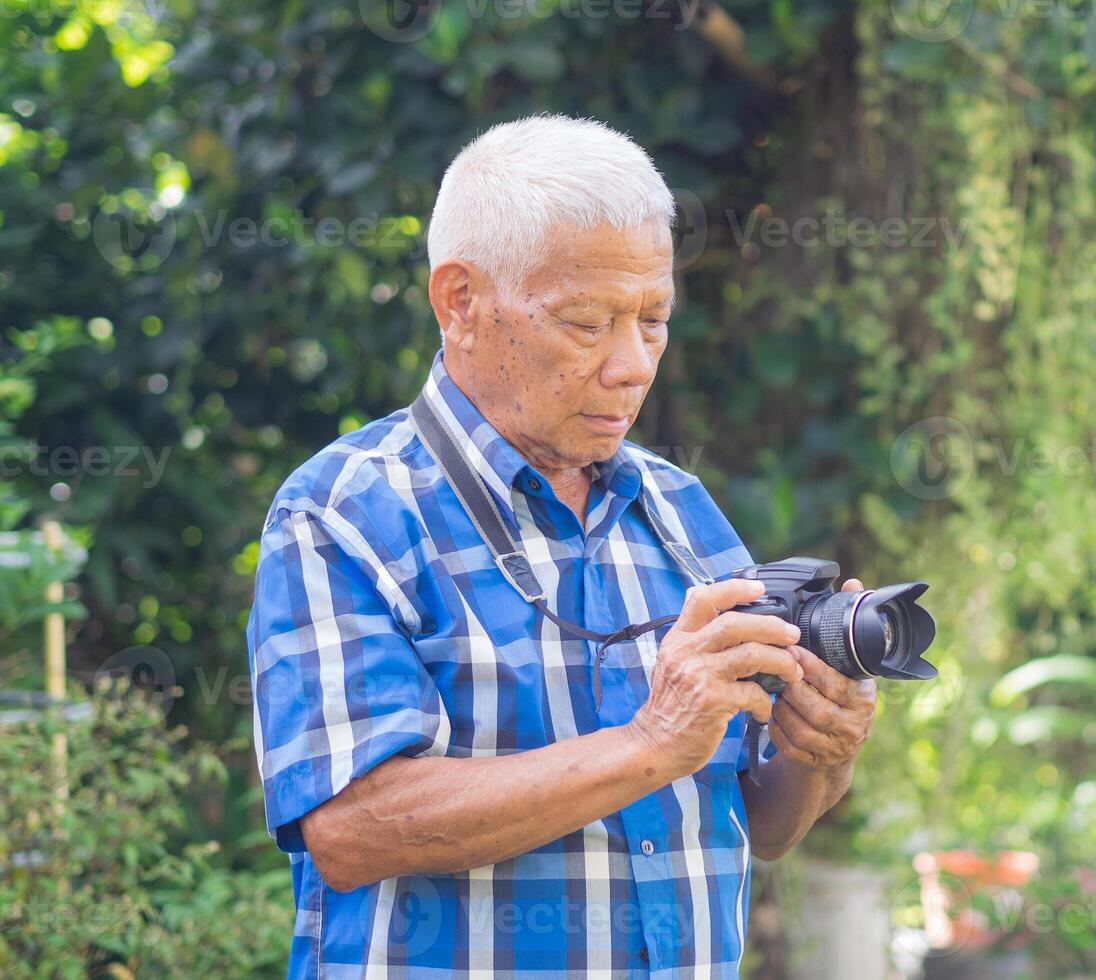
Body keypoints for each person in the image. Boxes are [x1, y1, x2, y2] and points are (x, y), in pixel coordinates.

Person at [246, 114, 878, 978]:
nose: (632, 364)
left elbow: (762, 825)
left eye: (654, 319)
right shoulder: (344, 514)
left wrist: (817, 755)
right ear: (459, 301)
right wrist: (650, 741)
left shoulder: (679, 509)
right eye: (587, 323)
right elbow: (352, 830)